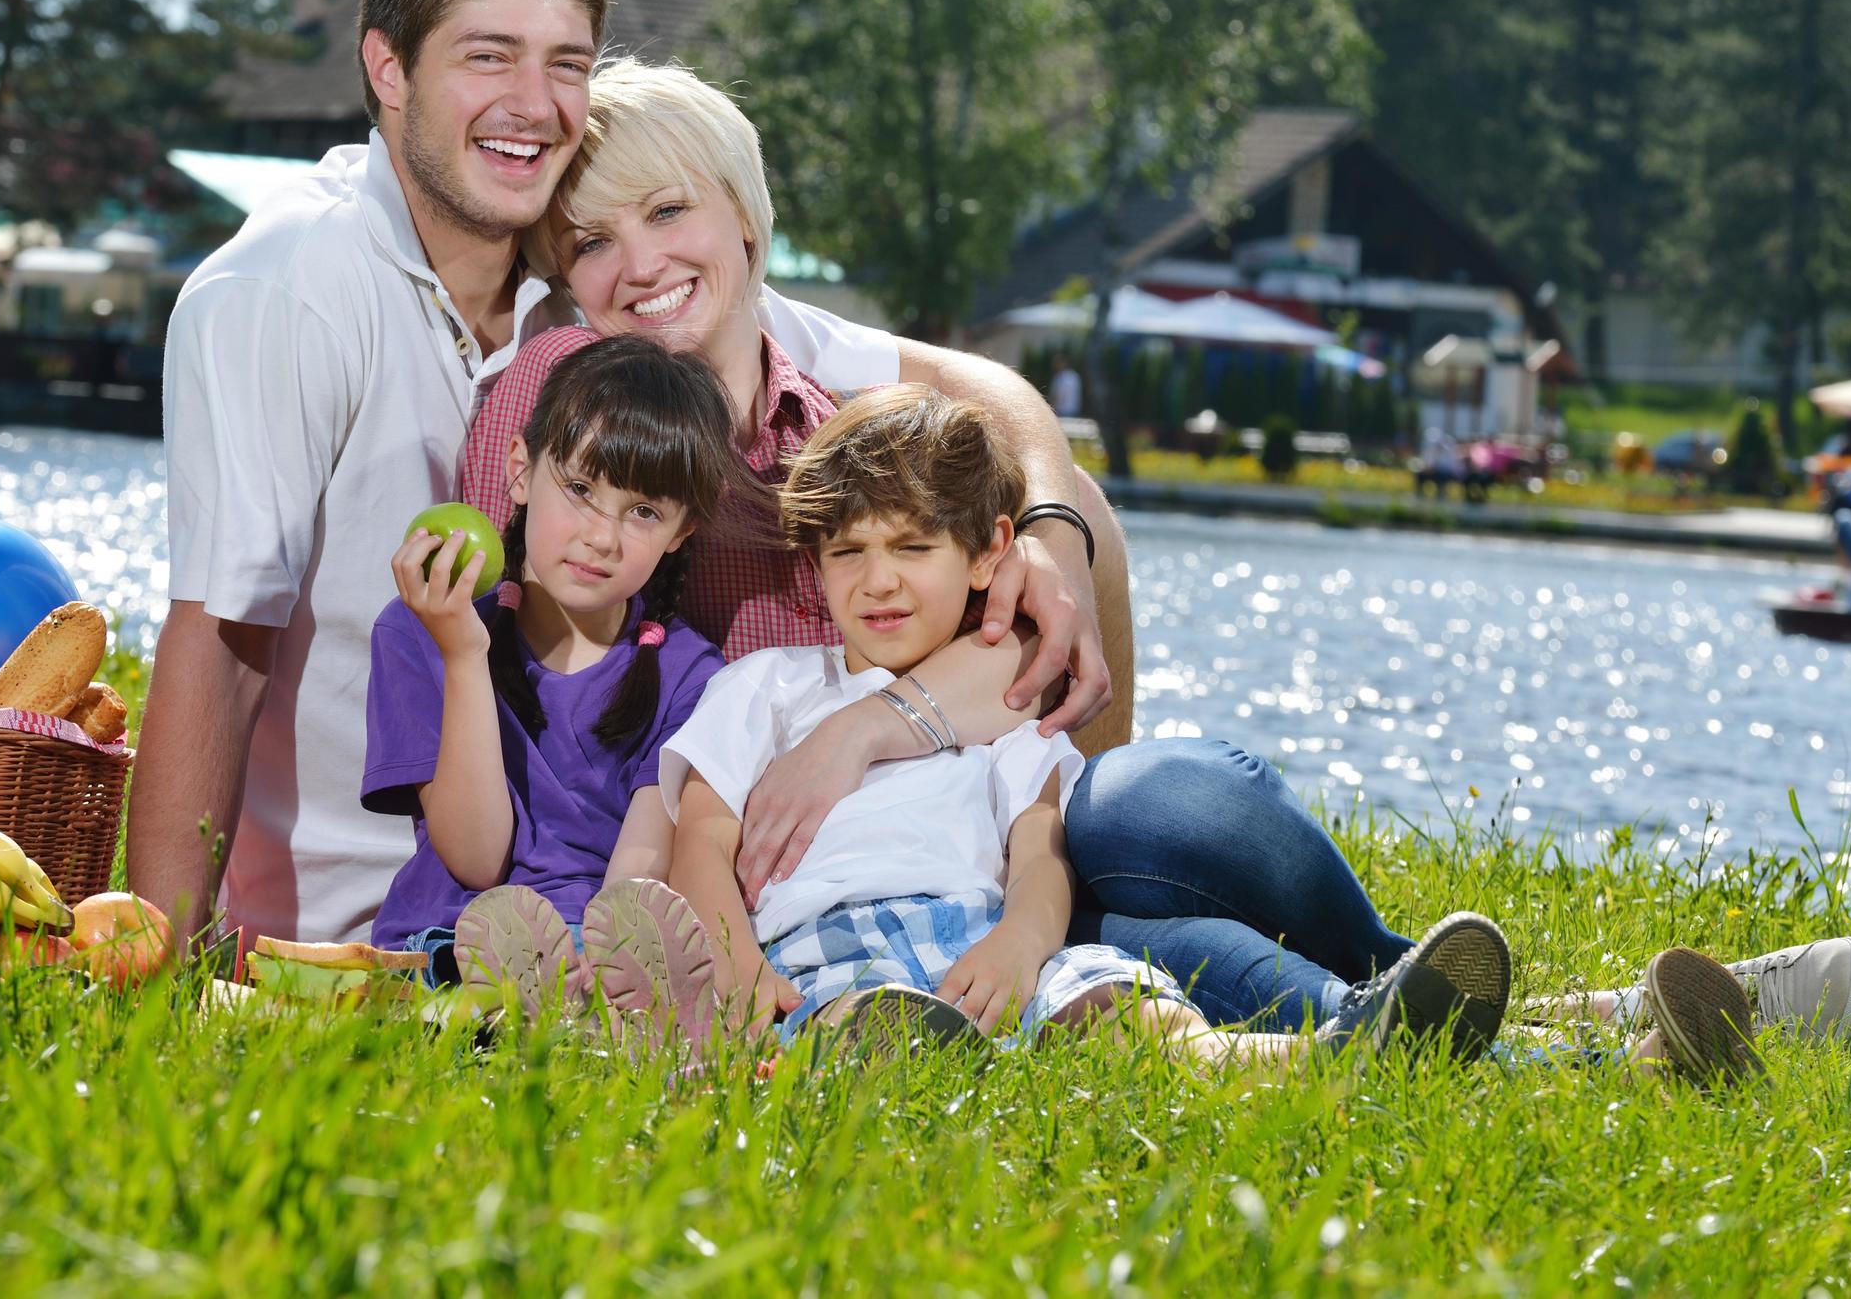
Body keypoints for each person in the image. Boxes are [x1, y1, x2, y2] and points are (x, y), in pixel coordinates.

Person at [476, 60, 1851, 1058]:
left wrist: (1024, 560)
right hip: (848, 904)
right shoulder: (586, 432)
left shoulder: (852, 397)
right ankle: (1574, 1026)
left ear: (741, 218)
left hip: (1006, 829)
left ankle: (1433, 989)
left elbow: (1024, 439)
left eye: (670, 213)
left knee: (1139, 813)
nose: (638, 261)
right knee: (1164, 973)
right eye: (593, 240)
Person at [131, 0, 1115, 951]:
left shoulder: (628, 306)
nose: (533, 101)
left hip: (727, 865)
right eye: (486, 54)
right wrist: (164, 945)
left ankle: (1104, 895)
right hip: (401, 889)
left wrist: (1057, 535)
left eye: (565, 63)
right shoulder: (310, 289)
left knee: (1157, 790)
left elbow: (988, 390)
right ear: (386, 67)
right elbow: (222, 631)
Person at [662, 384, 1558, 1069]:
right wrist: (730, 955)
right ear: (813, 564)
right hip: (826, 935)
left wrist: (1020, 939)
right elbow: (700, 835)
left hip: (975, 933)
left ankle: (1295, 1060)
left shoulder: (1008, 706)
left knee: (1121, 1000)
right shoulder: (766, 688)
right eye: (846, 553)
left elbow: (1039, 848)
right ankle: (890, 1059)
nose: (877, 581)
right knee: (854, 1014)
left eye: (911, 548)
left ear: (986, 553)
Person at [363, 337, 737, 1010]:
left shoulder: (692, 675)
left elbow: (639, 872)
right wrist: (463, 653)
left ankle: (592, 1012)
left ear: (682, 532)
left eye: (644, 512)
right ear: (519, 472)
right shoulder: (418, 632)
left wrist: (600, 958)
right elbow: (476, 858)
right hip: (444, 938)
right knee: (483, 950)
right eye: (581, 490)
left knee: (635, 946)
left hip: (597, 956)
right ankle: (526, 1000)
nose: (602, 537)